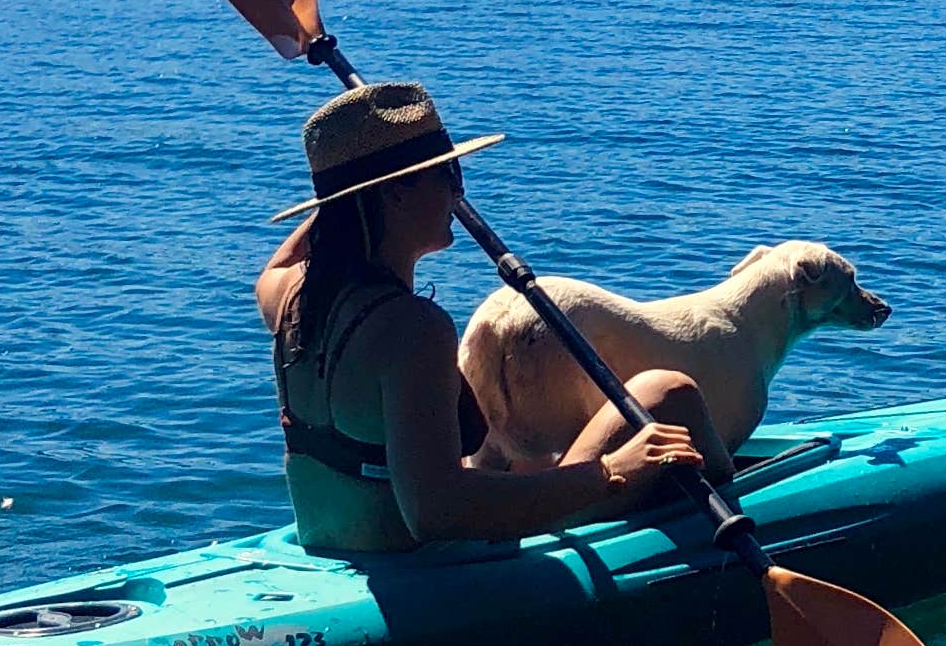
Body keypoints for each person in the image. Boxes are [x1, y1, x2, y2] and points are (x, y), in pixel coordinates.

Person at [255, 79, 721, 559]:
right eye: (446, 172)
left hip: (330, 546)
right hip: (435, 567)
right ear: (395, 194)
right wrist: (611, 471)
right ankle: (726, 548)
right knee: (669, 394)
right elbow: (435, 512)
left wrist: (346, 192)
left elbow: (278, 266)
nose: (459, 192)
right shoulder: (412, 329)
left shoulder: (290, 298)